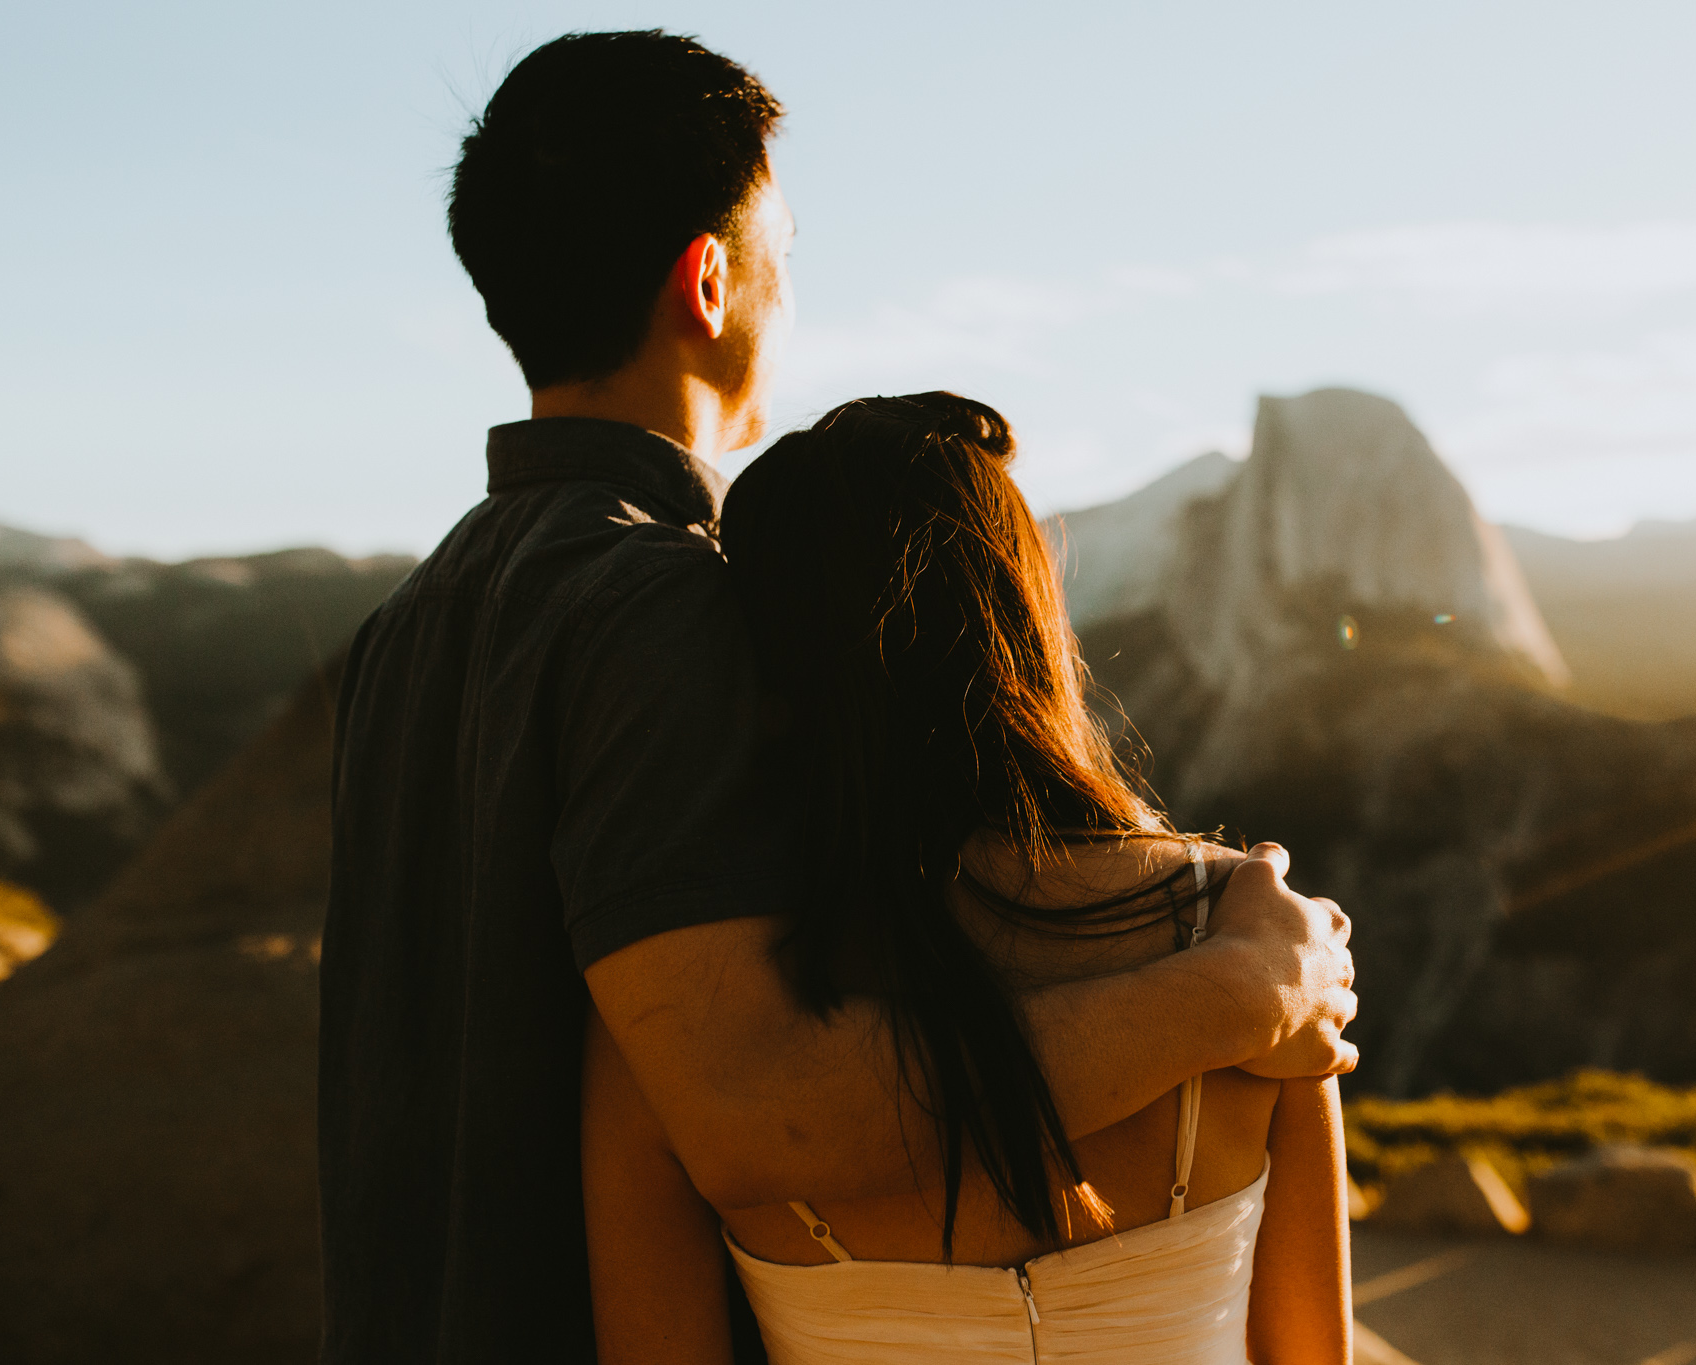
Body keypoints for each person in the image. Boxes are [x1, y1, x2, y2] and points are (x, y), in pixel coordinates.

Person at [319, 31, 1358, 1365]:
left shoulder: (406, 629)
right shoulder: (672, 603)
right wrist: (1235, 992)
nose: (789, 288)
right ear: (709, 279)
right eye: (784, 251)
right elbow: (763, 1118)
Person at [582, 393, 1352, 1364]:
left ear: (757, 657)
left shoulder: (687, 1025)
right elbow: (1313, 1351)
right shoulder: (1249, 932)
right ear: (1025, 619)